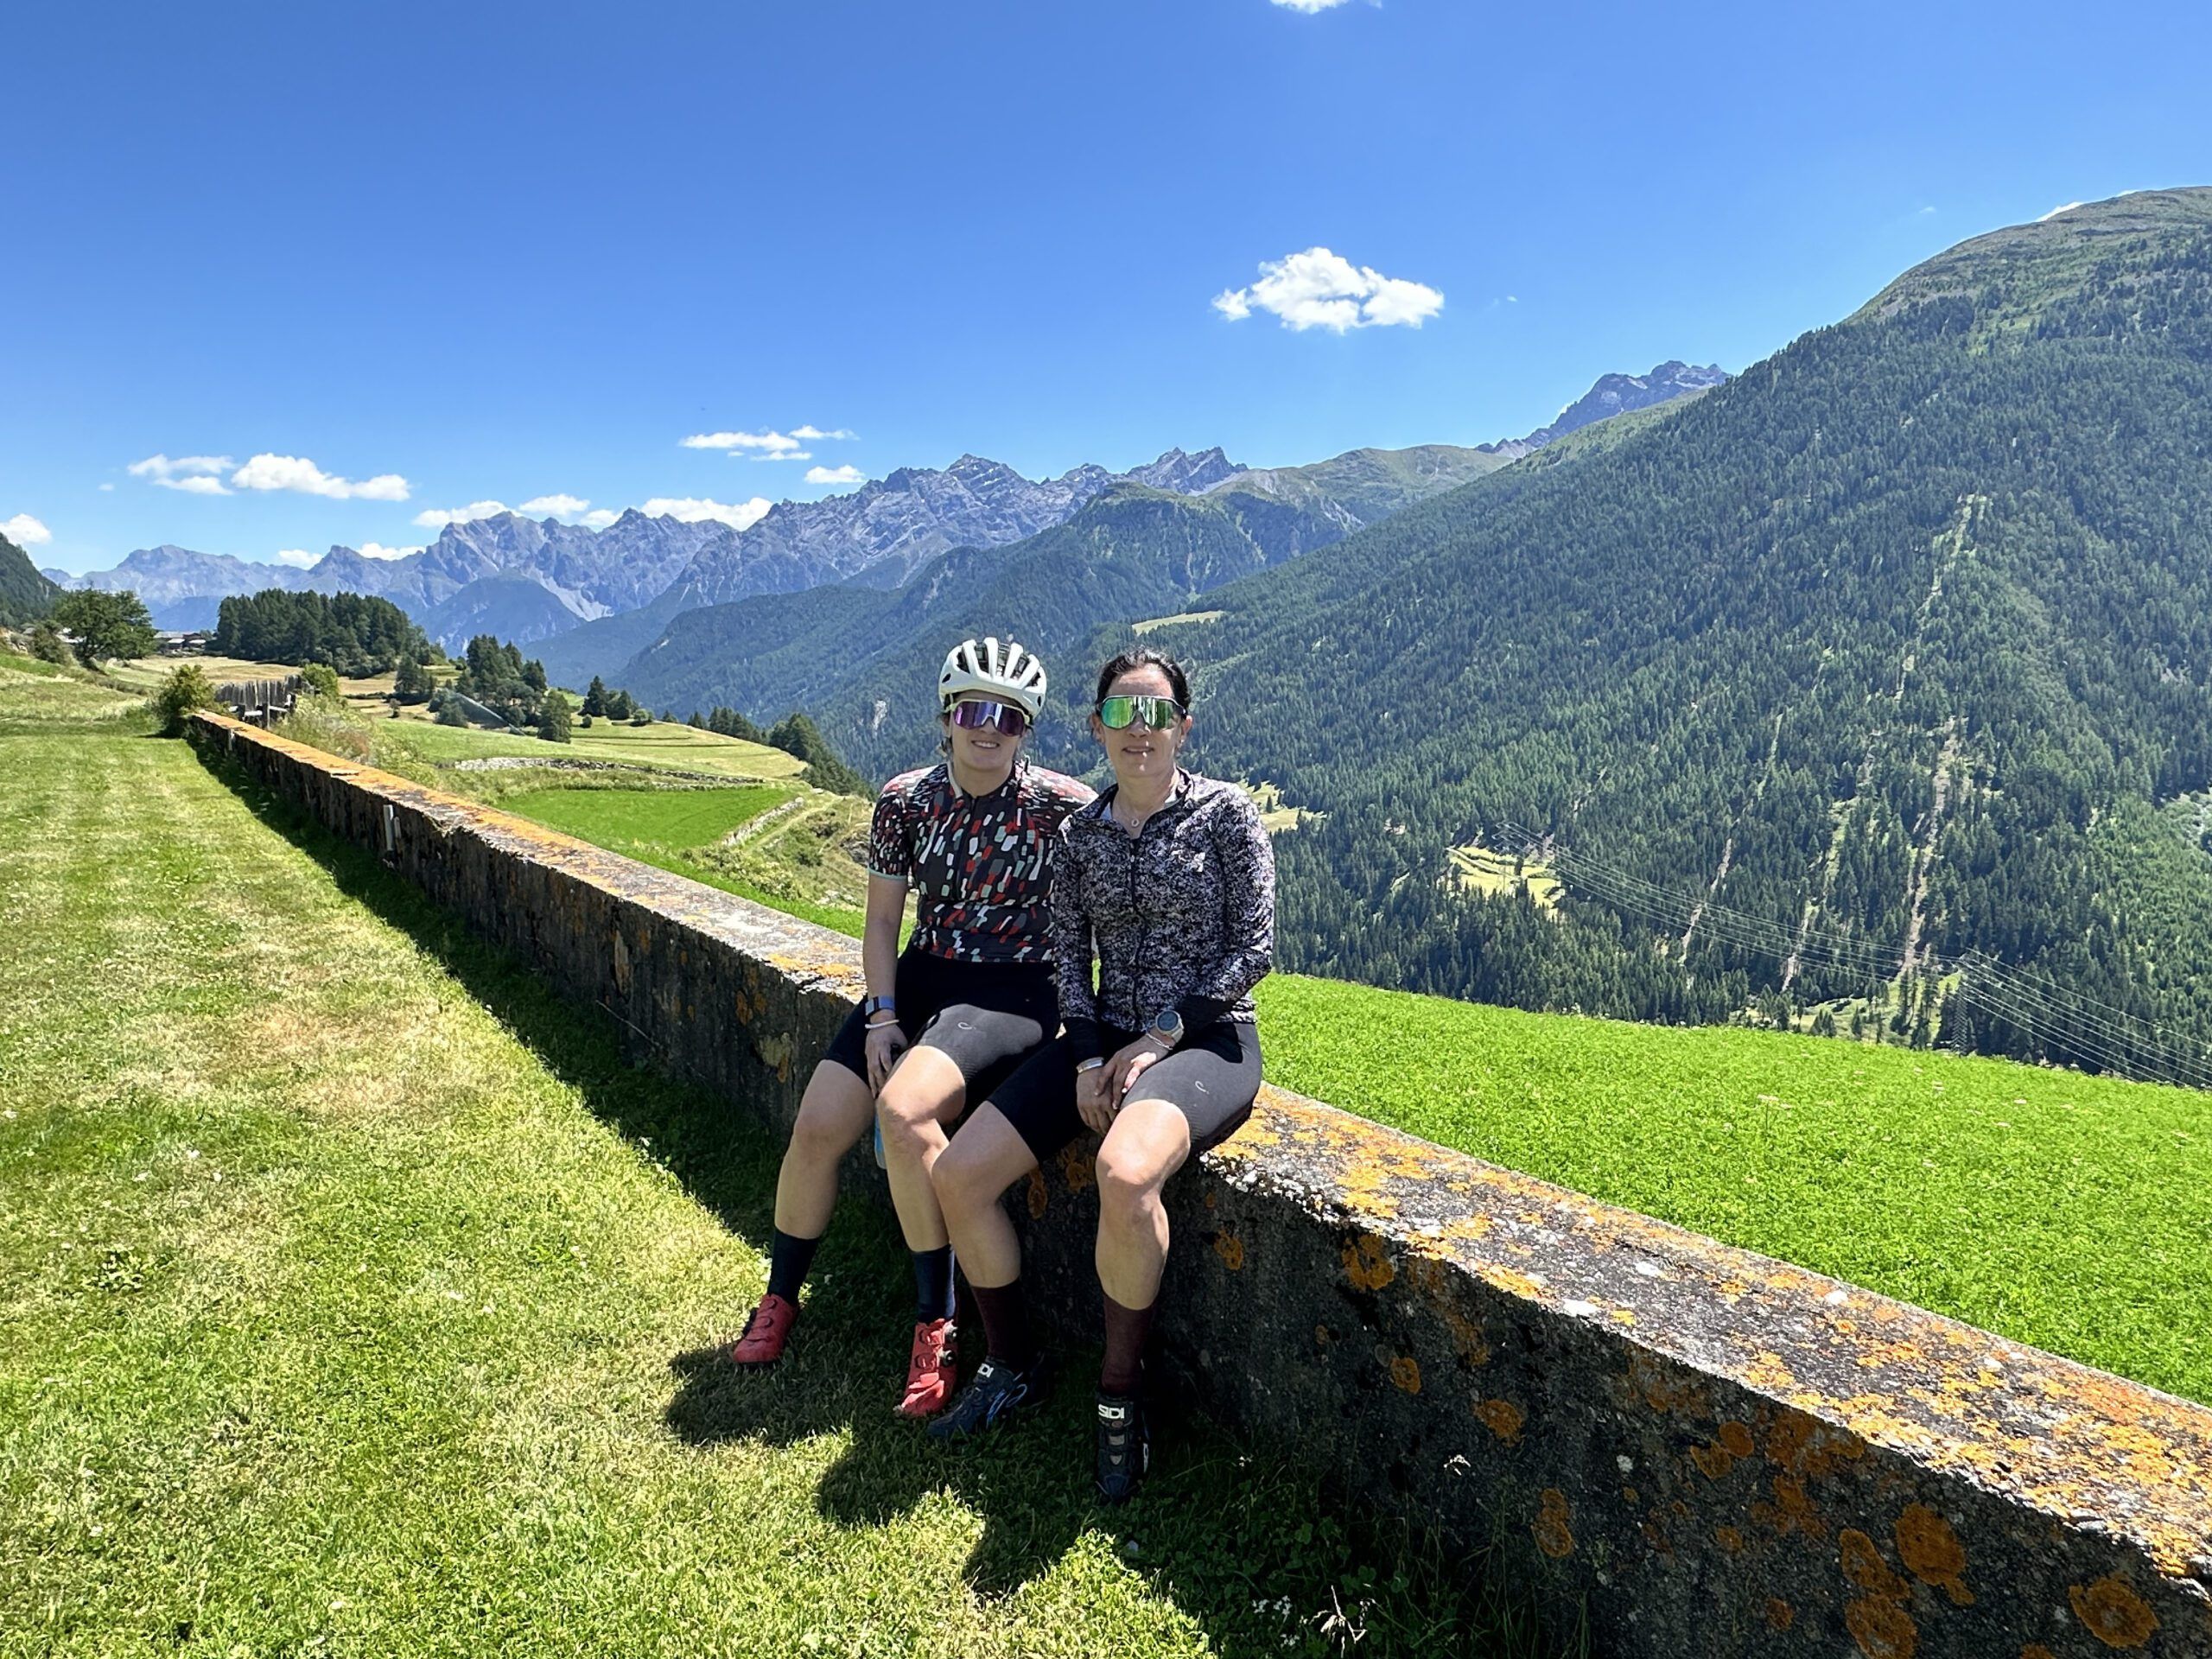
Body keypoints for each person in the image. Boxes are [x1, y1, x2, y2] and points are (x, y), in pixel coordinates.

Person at [928, 645, 1274, 1502]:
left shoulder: (1227, 816)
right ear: (1096, 729)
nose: (1140, 730)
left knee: (1124, 1170)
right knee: (959, 1174)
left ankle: (1121, 1397)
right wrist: (1084, 1054)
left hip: (1207, 1041)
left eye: (1157, 713)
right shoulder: (1080, 834)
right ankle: (1010, 1363)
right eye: (1121, 714)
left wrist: (1158, 1038)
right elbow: (1065, 957)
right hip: (1101, 1036)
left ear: (1183, 726)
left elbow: (1255, 949)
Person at [728, 638, 1095, 1419]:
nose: (988, 728)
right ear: (947, 714)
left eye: (1010, 717)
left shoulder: (1062, 806)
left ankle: (938, 1322)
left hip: (1016, 990)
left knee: (903, 1110)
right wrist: (883, 1015)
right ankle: (779, 1297)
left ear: (1027, 729)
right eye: (973, 710)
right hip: (923, 973)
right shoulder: (905, 800)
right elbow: (884, 920)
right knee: (819, 1124)